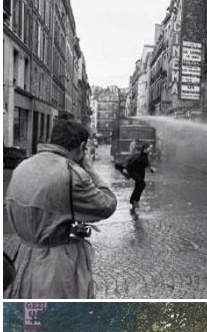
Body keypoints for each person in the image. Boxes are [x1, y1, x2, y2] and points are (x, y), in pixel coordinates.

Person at [4, 118, 117, 299]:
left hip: (23, 259)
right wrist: (89, 170)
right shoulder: (72, 174)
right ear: (81, 147)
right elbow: (107, 205)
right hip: (58, 265)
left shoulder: (22, 166)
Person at [118, 143, 156, 210]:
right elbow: (128, 160)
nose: (151, 149)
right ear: (145, 148)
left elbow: (148, 163)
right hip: (133, 171)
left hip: (141, 172)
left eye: (151, 148)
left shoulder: (147, 155)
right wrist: (124, 169)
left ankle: (133, 201)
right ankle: (134, 200)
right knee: (142, 184)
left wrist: (151, 168)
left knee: (139, 186)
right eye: (150, 148)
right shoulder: (137, 154)